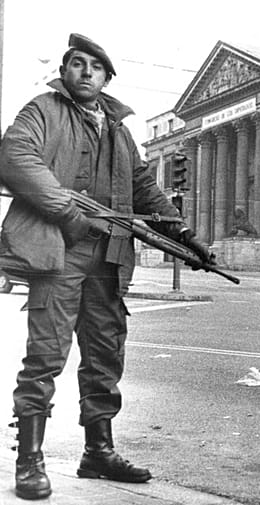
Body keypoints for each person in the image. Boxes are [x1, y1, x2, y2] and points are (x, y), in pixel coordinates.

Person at [0, 34, 213, 500]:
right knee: (46, 355)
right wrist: (70, 215)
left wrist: (184, 235)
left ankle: (98, 452)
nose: (87, 72)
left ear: (107, 77)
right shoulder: (41, 110)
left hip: (111, 256)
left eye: (96, 67)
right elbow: (15, 158)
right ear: (65, 70)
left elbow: (141, 185)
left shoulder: (118, 128)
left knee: (104, 354)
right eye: (78, 64)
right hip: (59, 251)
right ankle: (29, 460)